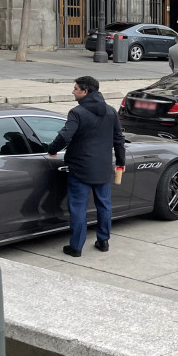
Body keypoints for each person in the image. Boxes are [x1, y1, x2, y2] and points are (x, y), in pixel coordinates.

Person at [47, 76, 125, 257]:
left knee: (79, 208)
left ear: (85, 91)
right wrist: (120, 162)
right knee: (104, 205)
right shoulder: (110, 111)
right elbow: (118, 139)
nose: (72, 91)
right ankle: (103, 241)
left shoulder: (77, 112)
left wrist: (52, 149)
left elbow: (65, 136)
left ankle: (76, 247)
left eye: (75, 88)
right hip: (103, 167)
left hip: (80, 169)